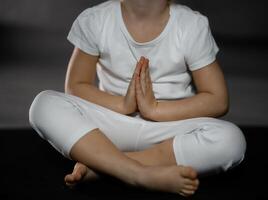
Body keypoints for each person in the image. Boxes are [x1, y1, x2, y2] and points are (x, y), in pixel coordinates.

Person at [29, 0, 246, 197]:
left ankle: (104, 167)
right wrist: (123, 105)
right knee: (43, 103)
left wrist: (154, 109)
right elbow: (75, 87)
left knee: (231, 140)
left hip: (168, 131)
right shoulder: (96, 19)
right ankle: (138, 174)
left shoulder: (191, 24)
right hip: (110, 128)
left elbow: (218, 100)